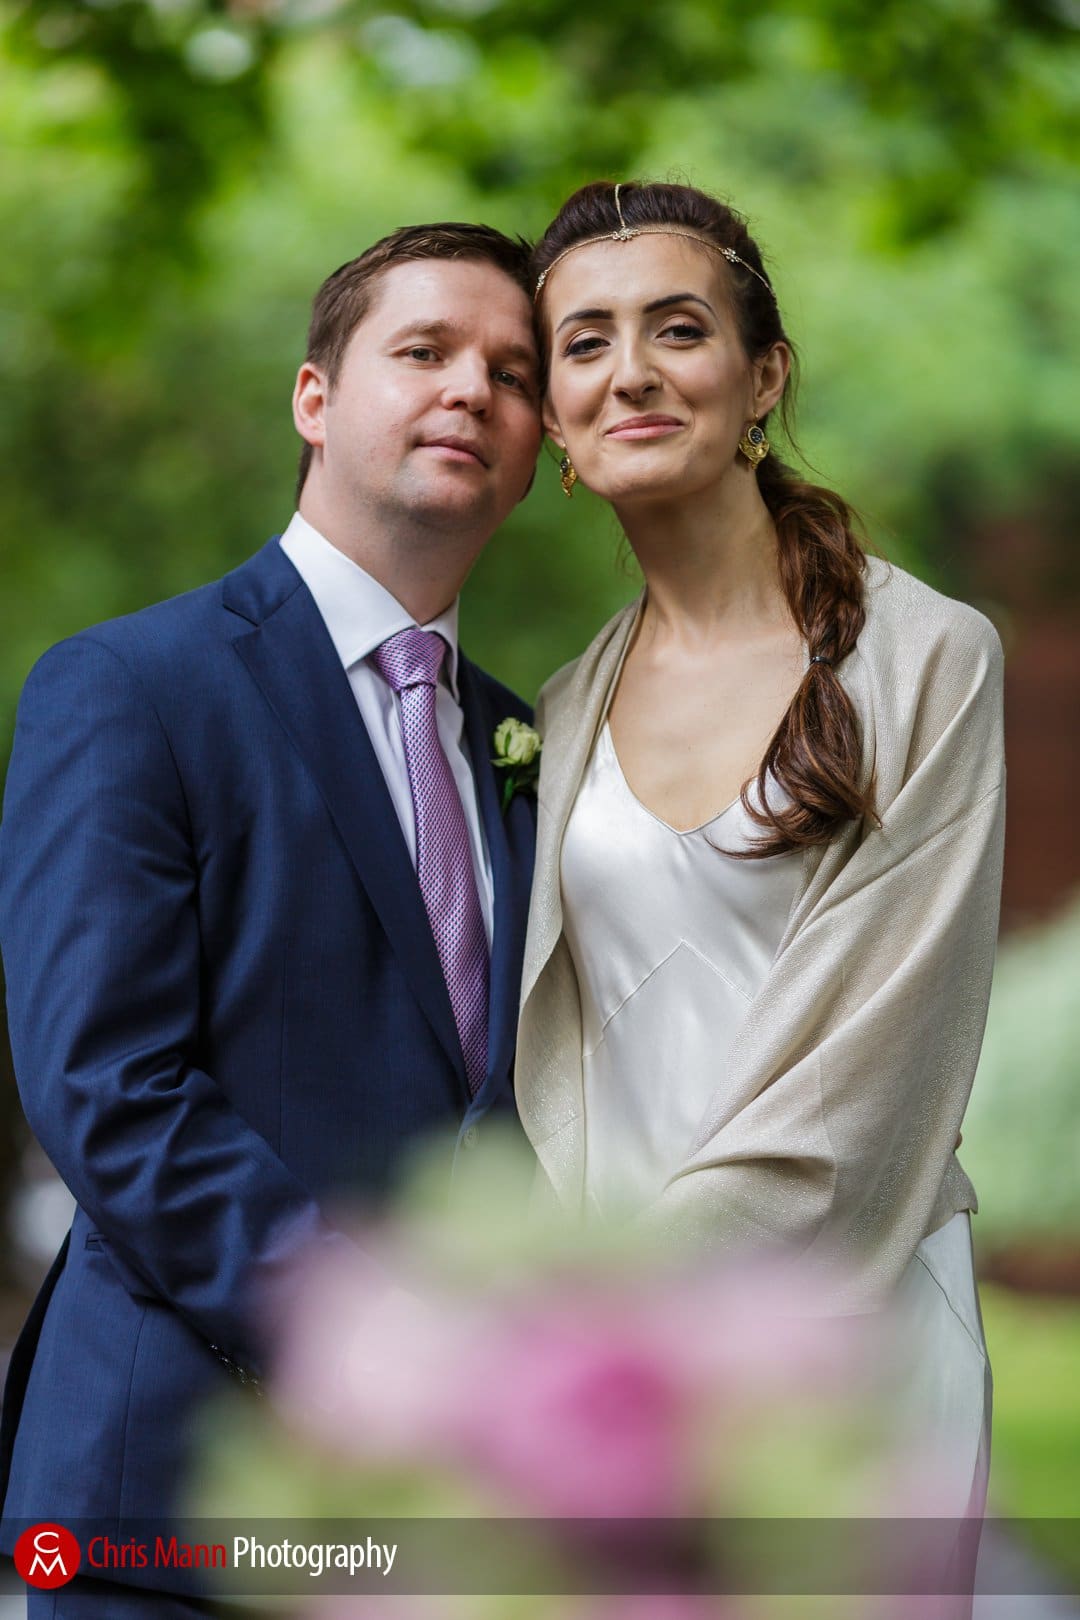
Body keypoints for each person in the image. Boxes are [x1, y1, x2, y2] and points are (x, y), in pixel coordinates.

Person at [0, 221, 542, 1616]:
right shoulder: (131, 688)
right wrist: (370, 1330)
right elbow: (110, 1090)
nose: (471, 389)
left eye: (513, 370)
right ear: (314, 398)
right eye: (423, 350)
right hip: (172, 1502)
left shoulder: (530, 744)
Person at [516, 181, 1003, 1560]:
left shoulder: (927, 659)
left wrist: (633, 1303)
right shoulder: (559, 711)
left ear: (762, 375)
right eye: (587, 344)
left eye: (679, 330)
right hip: (605, 1376)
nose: (635, 373)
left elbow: (878, 1059)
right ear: (553, 410)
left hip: (841, 1323)